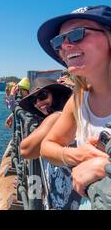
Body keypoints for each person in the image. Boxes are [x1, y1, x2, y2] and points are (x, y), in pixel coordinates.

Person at [38, 6, 111, 208]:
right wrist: (76, 155)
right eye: (59, 41)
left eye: (78, 33)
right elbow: (47, 146)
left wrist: (106, 168)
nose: (66, 45)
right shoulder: (79, 98)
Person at [19, 77, 80, 209]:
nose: (38, 102)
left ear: (56, 94)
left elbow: (25, 150)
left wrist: (50, 120)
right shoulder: (75, 115)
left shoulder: (57, 116)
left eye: (43, 95)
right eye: (33, 100)